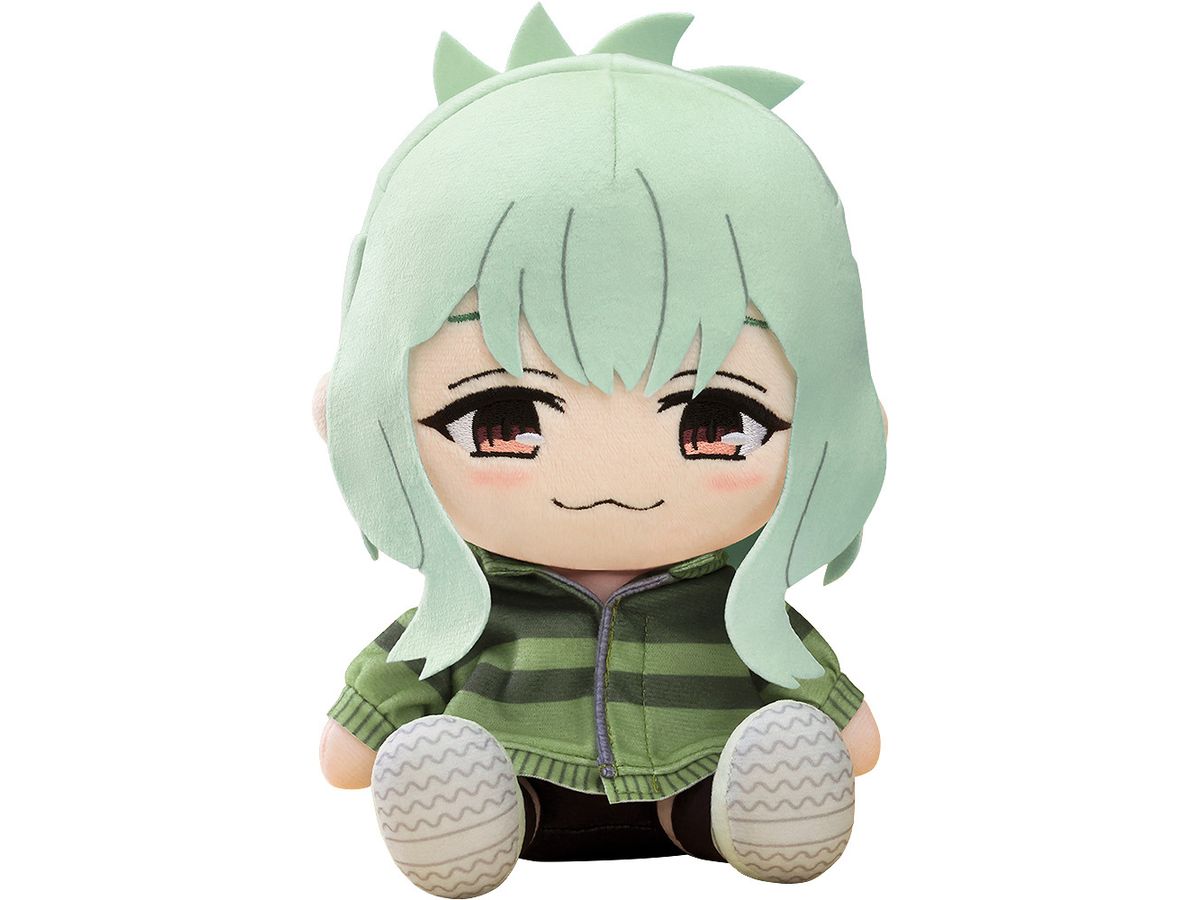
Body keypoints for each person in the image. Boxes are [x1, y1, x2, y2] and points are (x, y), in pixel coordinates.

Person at [314, 7, 887, 896]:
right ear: (359, 411)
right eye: (502, 420)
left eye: (715, 424)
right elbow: (355, 745)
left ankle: (744, 815)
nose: (615, 481)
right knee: (468, 764)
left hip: (698, 786)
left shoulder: (736, 609)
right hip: (518, 789)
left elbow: (848, 736)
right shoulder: (470, 612)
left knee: (748, 770)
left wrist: (819, 728)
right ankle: (474, 810)